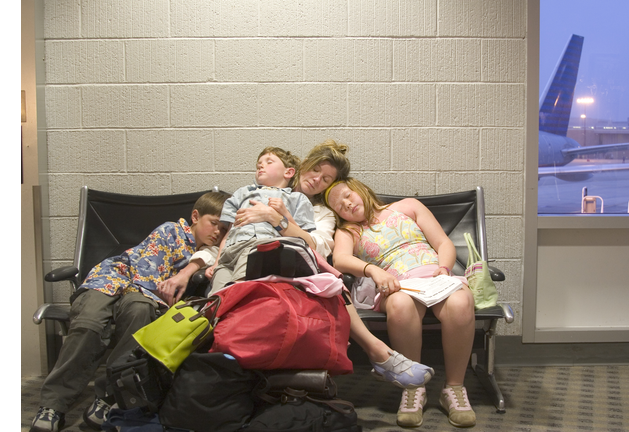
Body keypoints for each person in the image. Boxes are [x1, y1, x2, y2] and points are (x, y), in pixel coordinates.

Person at [225, 140, 434, 389]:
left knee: (331, 283)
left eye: (325, 179)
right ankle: (379, 354)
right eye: (315, 170)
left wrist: (279, 220)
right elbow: (229, 235)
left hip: (296, 267)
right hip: (253, 260)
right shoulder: (260, 193)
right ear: (302, 166)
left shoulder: (321, 212)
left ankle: (378, 353)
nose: (316, 179)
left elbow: (318, 246)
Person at [30, 191, 231, 432]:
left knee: (140, 313)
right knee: (90, 324)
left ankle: (109, 396)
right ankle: (54, 404)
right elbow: (148, 275)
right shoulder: (171, 231)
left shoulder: (209, 253)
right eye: (214, 224)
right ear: (195, 216)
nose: (218, 232)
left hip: (141, 296)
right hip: (110, 280)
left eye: (224, 228)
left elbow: (208, 260)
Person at [326, 178, 477, 428]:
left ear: (360, 189)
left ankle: (454, 388)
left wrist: (443, 269)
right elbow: (340, 259)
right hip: (397, 284)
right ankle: (413, 388)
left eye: (347, 195)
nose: (346, 204)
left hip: (435, 276)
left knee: (461, 302)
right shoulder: (348, 231)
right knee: (400, 306)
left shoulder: (408, 206)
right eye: (339, 206)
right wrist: (373, 270)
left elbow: (443, 243)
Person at [207, 147, 317, 294]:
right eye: (259, 163)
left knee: (237, 291)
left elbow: (304, 239)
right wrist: (217, 262)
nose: (261, 165)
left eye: (269, 162)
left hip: (258, 248)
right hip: (230, 252)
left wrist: (284, 215)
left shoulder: (296, 199)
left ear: (288, 172)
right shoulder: (242, 193)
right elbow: (229, 232)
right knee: (216, 296)